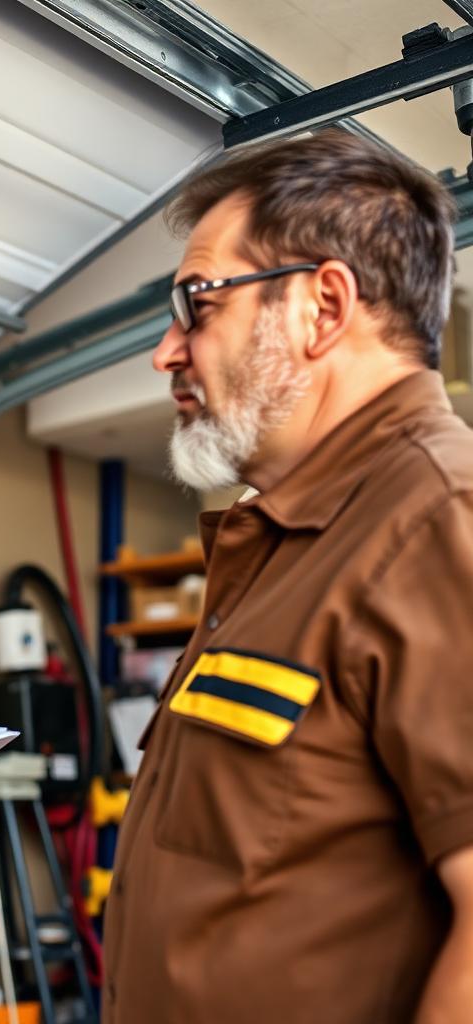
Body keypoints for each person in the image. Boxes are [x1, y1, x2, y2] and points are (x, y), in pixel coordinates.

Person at [102, 129, 473, 1023]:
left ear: (323, 306)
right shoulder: (286, 543)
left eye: (199, 303)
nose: (167, 352)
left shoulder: (437, 516)